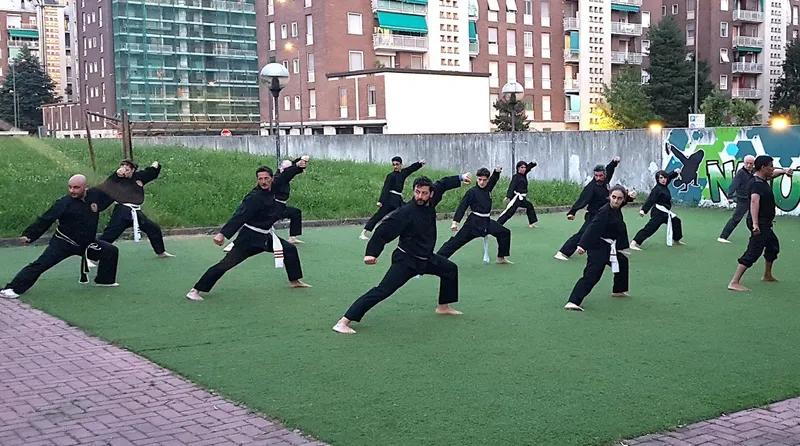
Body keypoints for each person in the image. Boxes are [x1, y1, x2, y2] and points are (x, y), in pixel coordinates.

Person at [333, 172, 473, 334]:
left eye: (424, 193)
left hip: (425, 258)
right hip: (406, 260)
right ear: (413, 191)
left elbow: (442, 184)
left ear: (430, 193)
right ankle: (343, 321)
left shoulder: (432, 200)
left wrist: (460, 178)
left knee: (449, 269)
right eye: (417, 192)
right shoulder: (405, 212)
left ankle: (443, 307)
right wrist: (371, 253)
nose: (420, 196)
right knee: (383, 290)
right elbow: (383, 231)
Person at [187, 163, 311, 301]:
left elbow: (286, 175)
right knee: (226, 264)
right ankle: (195, 290)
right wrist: (222, 234)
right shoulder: (254, 197)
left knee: (289, 249)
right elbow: (239, 216)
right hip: (249, 239)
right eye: (260, 179)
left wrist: (298, 166)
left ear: (271, 179)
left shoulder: (273, 187)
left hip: (265, 236)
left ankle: (294, 281)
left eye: (266, 178)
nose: (263, 182)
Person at [1, 175, 120, 299]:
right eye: (70, 187)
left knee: (110, 251)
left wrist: (118, 174)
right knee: (40, 264)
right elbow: (46, 219)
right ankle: (13, 288)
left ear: (86, 187)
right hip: (63, 243)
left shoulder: (94, 196)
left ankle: (104, 280)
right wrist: (29, 235)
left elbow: (109, 185)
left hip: (87, 244)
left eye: (76, 187)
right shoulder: (64, 203)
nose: (72, 191)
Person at [564, 185, 637, 312]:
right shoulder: (604, 211)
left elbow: (624, 202)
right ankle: (573, 301)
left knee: (622, 262)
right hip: (597, 246)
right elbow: (592, 228)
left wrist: (630, 197)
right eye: (613, 197)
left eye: (619, 198)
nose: (616, 201)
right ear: (609, 196)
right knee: (592, 275)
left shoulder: (616, 207)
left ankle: (618, 290)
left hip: (609, 247)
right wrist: (582, 245)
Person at [727, 156, 793, 292]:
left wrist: (784, 171)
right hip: (759, 223)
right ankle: (734, 282)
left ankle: (767, 275)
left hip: (765, 223)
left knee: (773, 247)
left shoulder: (759, 178)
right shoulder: (757, 184)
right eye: (771, 166)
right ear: (763, 168)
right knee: (754, 251)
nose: (773, 168)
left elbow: (772, 175)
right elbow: (754, 202)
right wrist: (755, 224)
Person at [223, 156, 309, 252]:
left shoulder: (282, 174)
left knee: (295, 213)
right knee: (258, 226)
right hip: (274, 207)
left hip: (279, 206)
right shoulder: (278, 178)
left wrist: (300, 159)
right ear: (281, 169)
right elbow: (289, 172)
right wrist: (297, 165)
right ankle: (234, 244)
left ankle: (292, 237)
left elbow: (290, 168)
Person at [97, 159, 174, 258]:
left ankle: (161, 252)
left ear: (133, 170)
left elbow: (151, 173)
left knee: (153, 229)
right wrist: (116, 175)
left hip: (136, 212)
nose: (124, 171)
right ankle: (91, 256)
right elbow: (107, 185)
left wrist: (155, 165)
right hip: (122, 212)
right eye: (122, 168)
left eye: (127, 169)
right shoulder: (117, 179)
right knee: (109, 235)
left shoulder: (139, 177)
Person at [437, 166, 512, 264]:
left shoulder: (488, 188)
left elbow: (494, 179)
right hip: (473, 223)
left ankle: (501, 258)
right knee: (456, 241)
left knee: (504, 233)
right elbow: (462, 206)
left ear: (487, 180)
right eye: (479, 179)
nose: (481, 182)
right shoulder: (472, 192)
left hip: (486, 222)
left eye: (484, 180)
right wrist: (455, 222)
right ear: (477, 178)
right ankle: (437, 258)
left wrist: (496, 171)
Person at [555, 157, 621, 260]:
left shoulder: (606, 180)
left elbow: (609, 168)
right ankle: (563, 252)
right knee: (584, 233)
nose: (598, 178)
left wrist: (614, 162)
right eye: (596, 176)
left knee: (614, 228)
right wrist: (572, 212)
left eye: (600, 176)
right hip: (593, 215)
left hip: (605, 214)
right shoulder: (591, 187)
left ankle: (616, 250)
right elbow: (582, 200)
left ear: (604, 175)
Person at [359, 157, 426, 240]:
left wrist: (420, 164)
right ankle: (363, 233)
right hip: (389, 199)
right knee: (379, 215)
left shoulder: (403, 173)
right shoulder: (390, 176)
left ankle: (412, 233)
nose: (395, 166)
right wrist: (381, 201)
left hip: (398, 199)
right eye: (393, 165)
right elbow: (386, 189)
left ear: (401, 164)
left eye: (397, 164)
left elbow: (411, 168)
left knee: (408, 212)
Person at [629, 168, 684, 250]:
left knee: (676, 221)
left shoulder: (665, 184)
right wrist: (643, 210)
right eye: (661, 178)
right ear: (657, 179)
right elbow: (651, 200)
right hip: (658, 212)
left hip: (665, 212)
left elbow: (669, 176)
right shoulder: (657, 189)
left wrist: (675, 172)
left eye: (664, 178)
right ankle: (634, 243)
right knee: (650, 228)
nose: (663, 180)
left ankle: (676, 240)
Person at [718, 155, 755, 243]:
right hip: (743, 199)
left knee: (753, 219)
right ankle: (722, 237)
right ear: (744, 163)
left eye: (751, 163)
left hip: (752, 200)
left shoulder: (754, 172)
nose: (749, 165)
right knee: (736, 218)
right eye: (747, 163)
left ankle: (757, 237)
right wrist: (729, 197)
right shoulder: (741, 173)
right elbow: (734, 185)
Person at [497, 160, 538, 227]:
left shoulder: (524, 174)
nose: (524, 169)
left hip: (522, 198)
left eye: (524, 167)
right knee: (509, 212)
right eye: (522, 167)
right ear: (518, 168)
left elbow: (529, 167)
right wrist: (508, 196)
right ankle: (497, 224)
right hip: (516, 198)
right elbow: (512, 186)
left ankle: (532, 223)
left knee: (529, 206)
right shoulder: (516, 176)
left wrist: (532, 163)